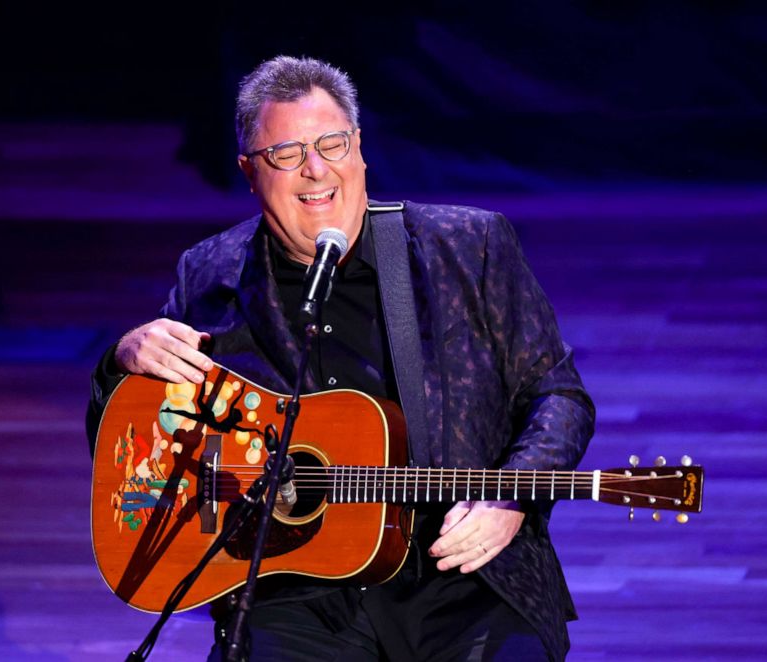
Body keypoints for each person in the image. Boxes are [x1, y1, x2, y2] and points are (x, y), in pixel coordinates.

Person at [86, 55, 594, 661]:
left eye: (332, 143)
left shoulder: (468, 246)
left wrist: (511, 498)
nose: (315, 169)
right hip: (290, 589)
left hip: (463, 581)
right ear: (250, 171)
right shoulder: (211, 274)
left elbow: (558, 395)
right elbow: (137, 443)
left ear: (359, 150)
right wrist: (122, 360)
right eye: (286, 153)